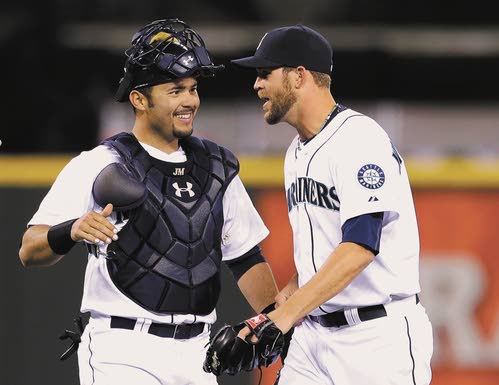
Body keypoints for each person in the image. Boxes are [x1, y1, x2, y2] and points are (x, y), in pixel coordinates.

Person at [18, 18, 279, 385]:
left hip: (197, 354)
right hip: (122, 349)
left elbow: (246, 258)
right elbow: (29, 249)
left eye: (192, 88)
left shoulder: (216, 167)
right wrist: (72, 230)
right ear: (139, 99)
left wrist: (276, 323)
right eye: (175, 90)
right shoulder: (99, 163)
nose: (190, 100)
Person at [231, 25, 433, 385]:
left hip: (376, 340)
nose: (257, 85)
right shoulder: (296, 151)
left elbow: (359, 247)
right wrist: (269, 316)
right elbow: (320, 260)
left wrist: (286, 315)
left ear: (298, 76)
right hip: (314, 337)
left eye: (265, 74)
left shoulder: (359, 139)